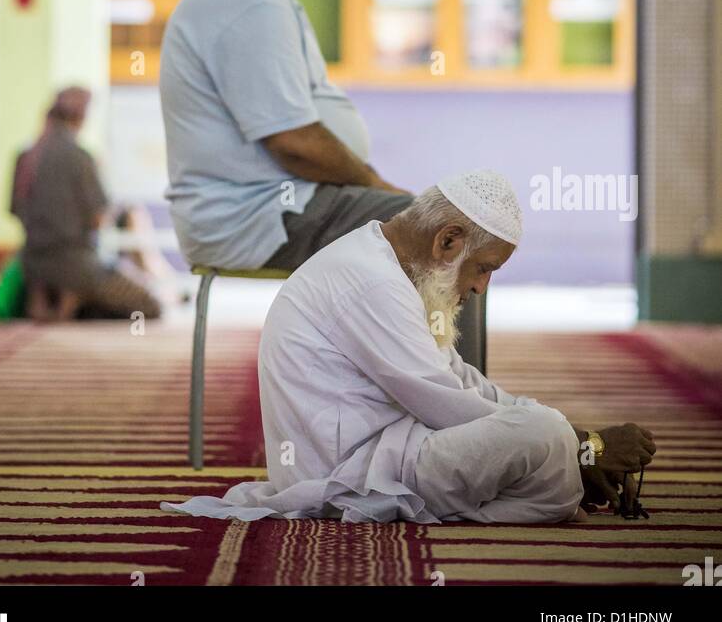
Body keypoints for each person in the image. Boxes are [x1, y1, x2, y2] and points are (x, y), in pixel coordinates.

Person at [162, 172, 656, 524]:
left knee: (539, 430)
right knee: (542, 434)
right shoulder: (372, 282)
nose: (480, 287)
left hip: (392, 449)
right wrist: (586, 446)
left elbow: (459, 378)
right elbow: (445, 402)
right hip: (354, 471)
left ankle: (549, 479)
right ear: (448, 240)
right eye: (483, 268)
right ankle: (547, 481)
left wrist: (579, 443)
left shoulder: (392, 266)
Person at [159, 0, 413, 275]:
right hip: (257, 219)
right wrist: (373, 182)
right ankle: (421, 347)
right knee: (439, 230)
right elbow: (294, 144)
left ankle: (375, 345)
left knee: (422, 224)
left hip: (272, 208)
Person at [11, 87, 161, 322]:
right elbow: (99, 219)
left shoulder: (25, 156)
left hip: (32, 265)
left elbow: (15, 212)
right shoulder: (80, 157)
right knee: (149, 306)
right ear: (81, 117)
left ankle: (64, 303)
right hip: (79, 266)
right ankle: (76, 298)